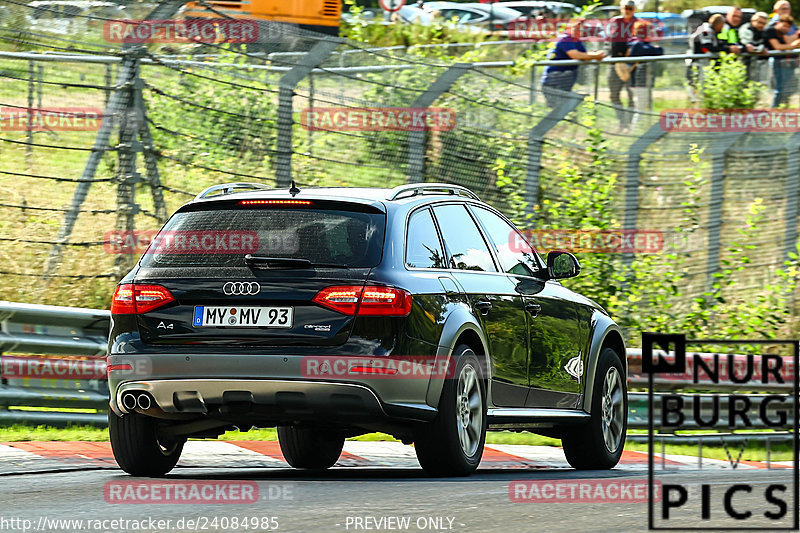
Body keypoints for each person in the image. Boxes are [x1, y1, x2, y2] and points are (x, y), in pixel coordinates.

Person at [540, 19, 605, 107]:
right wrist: (596, 55)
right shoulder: (565, 38)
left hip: (566, 80)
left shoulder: (576, 41)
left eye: (581, 29)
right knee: (556, 108)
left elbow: (584, 55)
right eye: (577, 28)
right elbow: (575, 55)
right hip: (554, 79)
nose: (580, 31)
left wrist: (595, 55)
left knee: (567, 108)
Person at [686, 14, 741, 101]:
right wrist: (728, 49)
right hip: (697, 62)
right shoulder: (706, 30)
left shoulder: (710, 29)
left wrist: (729, 47)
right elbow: (708, 46)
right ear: (719, 24)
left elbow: (717, 45)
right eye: (722, 26)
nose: (722, 29)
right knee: (699, 87)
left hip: (701, 63)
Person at [606, 0, 638, 130]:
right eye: (625, 8)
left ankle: (630, 124)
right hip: (614, 63)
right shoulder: (614, 22)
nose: (627, 10)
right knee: (614, 94)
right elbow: (608, 41)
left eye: (630, 8)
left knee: (632, 95)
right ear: (621, 8)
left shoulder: (638, 23)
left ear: (634, 9)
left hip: (631, 64)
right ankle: (622, 121)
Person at [627, 20, 663, 127]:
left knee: (644, 106)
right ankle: (635, 130)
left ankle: (644, 127)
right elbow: (655, 51)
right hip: (638, 82)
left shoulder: (643, 44)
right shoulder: (637, 44)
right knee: (640, 108)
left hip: (644, 81)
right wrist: (656, 48)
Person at [764, 14, 800, 107]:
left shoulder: (782, 34)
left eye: (788, 27)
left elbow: (789, 43)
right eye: (784, 25)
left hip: (785, 64)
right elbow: (778, 47)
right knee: (780, 90)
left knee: (788, 89)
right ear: (778, 23)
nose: (786, 28)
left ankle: (784, 109)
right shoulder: (771, 30)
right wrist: (794, 46)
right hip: (774, 64)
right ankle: (773, 111)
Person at [739, 12, 770, 80]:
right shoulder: (746, 29)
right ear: (753, 20)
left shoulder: (764, 30)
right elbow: (750, 48)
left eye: (764, 23)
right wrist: (761, 50)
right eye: (759, 22)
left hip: (757, 64)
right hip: (743, 62)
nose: (761, 25)